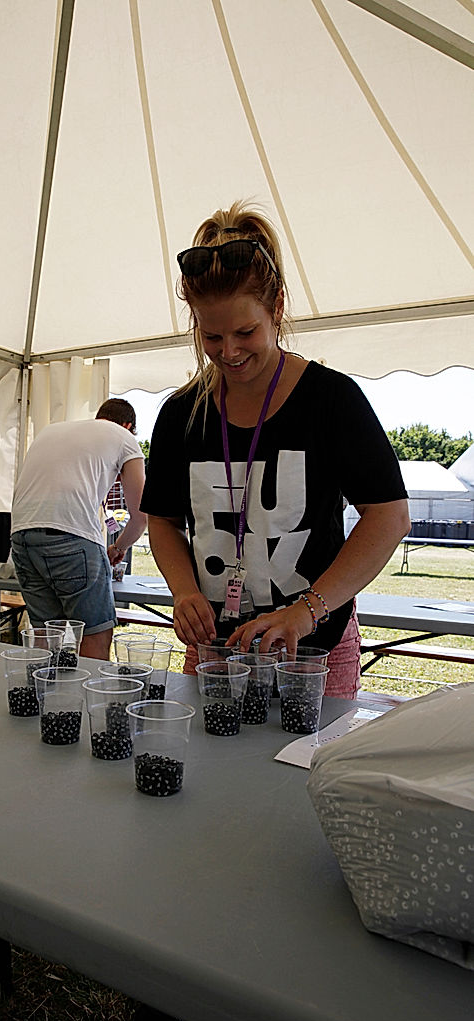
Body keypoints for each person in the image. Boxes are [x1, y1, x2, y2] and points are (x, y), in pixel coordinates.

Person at [141, 202, 410, 696]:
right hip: (214, 651)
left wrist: (306, 611)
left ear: (278, 307)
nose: (229, 352)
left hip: (312, 655)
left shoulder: (331, 399)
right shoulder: (181, 414)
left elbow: (389, 516)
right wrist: (183, 591)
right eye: (211, 335)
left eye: (246, 332)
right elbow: (162, 520)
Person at [10, 399, 147, 660]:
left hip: (21, 535)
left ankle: (42, 685)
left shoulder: (51, 430)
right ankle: (90, 688)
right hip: (71, 536)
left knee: (45, 635)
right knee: (94, 633)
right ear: (128, 425)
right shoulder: (124, 438)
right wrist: (119, 547)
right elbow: (141, 517)